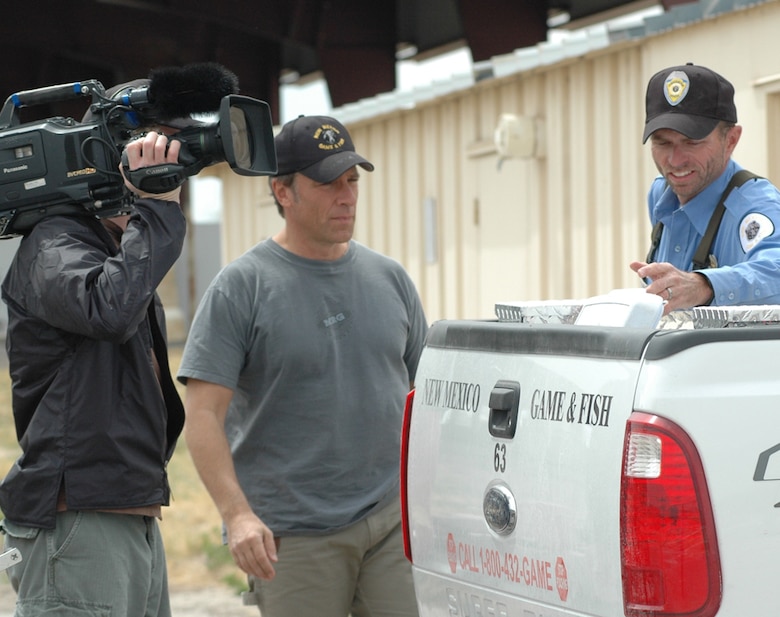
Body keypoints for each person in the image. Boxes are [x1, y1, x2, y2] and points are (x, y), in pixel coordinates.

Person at [177, 114, 428, 617]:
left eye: (352, 180)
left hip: (390, 523)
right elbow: (202, 416)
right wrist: (238, 515)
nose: (347, 195)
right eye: (327, 183)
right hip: (292, 537)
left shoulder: (391, 279)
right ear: (283, 192)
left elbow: (426, 395)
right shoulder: (241, 287)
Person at [0, 81, 188, 616]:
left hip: (125, 510)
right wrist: (156, 211)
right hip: (79, 518)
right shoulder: (53, 245)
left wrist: (148, 216)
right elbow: (109, 309)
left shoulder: (111, 248)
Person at [630, 62, 780, 313]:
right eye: (662, 142)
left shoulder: (755, 205)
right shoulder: (660, 195)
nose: (675, 161)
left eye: (692, 142)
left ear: (731, 140)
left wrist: (704, 285)